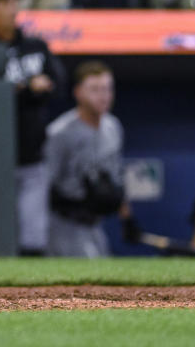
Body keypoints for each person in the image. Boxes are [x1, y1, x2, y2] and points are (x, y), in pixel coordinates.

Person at [0, 0, 66, 255]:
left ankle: (31, 298)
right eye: (5, 2)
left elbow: (58, 85)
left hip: (33, 157)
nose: (13, 8)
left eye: (15, 1)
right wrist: (29, 88)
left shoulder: (35, 46)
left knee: (33, 238)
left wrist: (21, 90)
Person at [45, 61, 125, 258]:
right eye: (95, 89)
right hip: (64, 223)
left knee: (103, 275)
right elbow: (44, 183)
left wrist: (127, 219)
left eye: (107, 89)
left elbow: (117, 176)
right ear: (78, 92)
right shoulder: (60, 132)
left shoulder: (113, 127)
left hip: (95, 223)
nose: (103, 95)